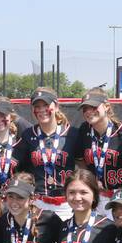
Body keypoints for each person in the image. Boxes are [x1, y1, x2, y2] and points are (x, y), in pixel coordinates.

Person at [19, 87, 82, 220]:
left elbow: (83, 166)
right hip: (38, 202)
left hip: (66, 203)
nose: (42, 110)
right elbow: (22, 170)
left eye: (46, 105)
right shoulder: (28, 135)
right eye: (37, 106)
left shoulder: (73, 133)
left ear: (56, 106)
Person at [78, 87, 122, 215]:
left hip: (120, 196)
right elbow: (80, 160)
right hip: (94, 196)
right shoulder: (83, 130)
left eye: (93, 107)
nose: (89, 112)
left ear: (107, 107)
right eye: (85, 108)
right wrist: (90, 179)